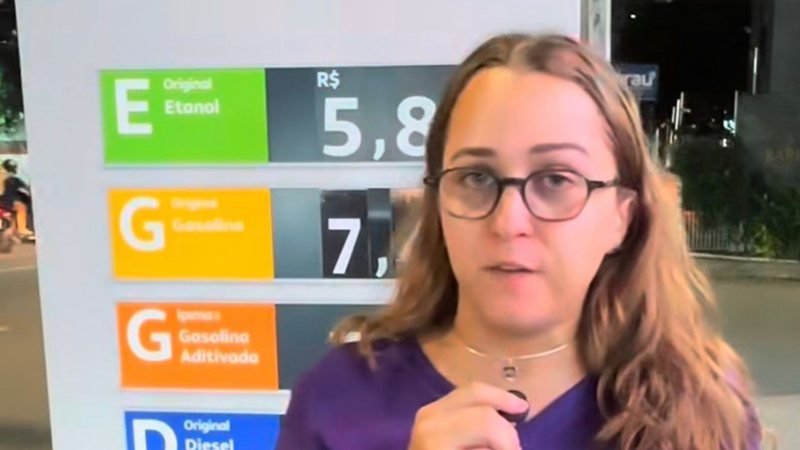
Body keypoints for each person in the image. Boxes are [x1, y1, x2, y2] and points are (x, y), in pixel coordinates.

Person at [276, 34, 763, 450]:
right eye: (476, 177)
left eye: (556, 179)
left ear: (622, 217)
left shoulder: (705, 406)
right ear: (438, 202)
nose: (509, 222)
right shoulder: (334, 400)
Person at [0, 159, 34, 239]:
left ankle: (14, 232)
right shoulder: (12, 179)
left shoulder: (6, 177)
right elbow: (24, 188)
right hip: (5, 200)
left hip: (5, 200)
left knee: (15, 212)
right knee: (22, 207)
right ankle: (22, 229)